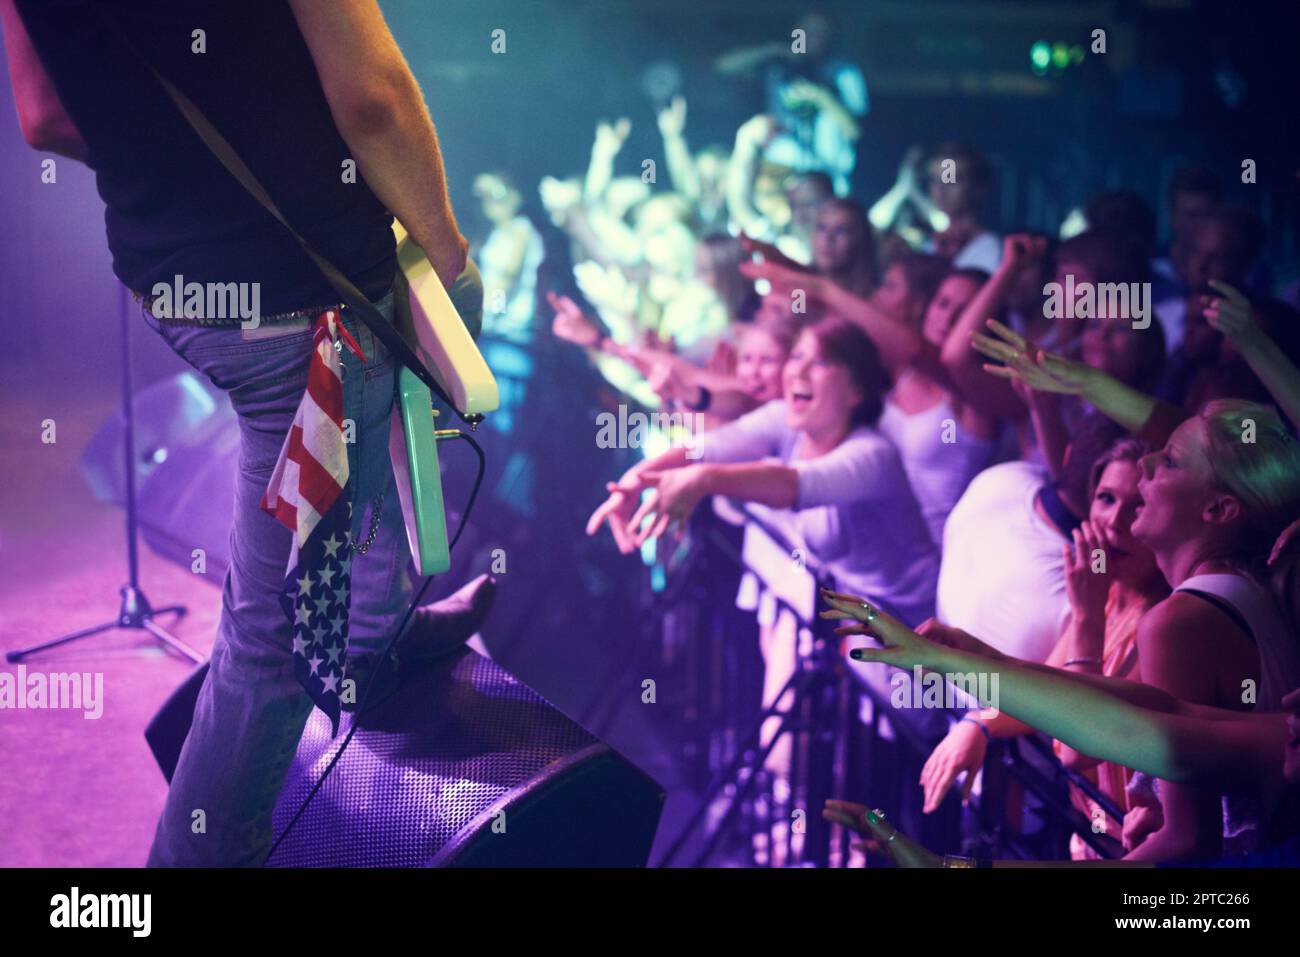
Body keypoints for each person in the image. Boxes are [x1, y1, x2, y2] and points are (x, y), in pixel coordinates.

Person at [2, 0, 496, 865]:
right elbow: (373, 97)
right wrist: (451, 259)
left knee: (359, 460)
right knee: (268, 642)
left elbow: (45, 119)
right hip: (301, 292)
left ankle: (372, 644)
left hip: (176, 285)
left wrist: (184, 182)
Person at [820, 583, 1300, 867]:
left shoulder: (1175, 619)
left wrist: (950, 664)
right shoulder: (1282, 733)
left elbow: (1150, 737)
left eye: (1170, 462)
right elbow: (1158, 712)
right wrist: (976, 661)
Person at [919, 440, 1169, 858]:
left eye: (1138, 506)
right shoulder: (1106, 594)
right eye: (1106, 499)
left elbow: (1076, 748)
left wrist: (1087, 617)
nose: (1113, 522)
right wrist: (978, 723)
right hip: (1086, 829)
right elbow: (1046, 688)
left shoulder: (1161, 618)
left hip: (1132, 848)